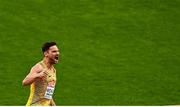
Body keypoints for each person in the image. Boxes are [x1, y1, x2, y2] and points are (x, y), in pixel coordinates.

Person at [22, 42, 60, 106]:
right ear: (46, 54)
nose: (57, 53)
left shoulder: (53, 70)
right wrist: (38, 75)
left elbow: (48, 94)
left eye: (58, 51)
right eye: (54, 51)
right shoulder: (39, 67)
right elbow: (24, 82)